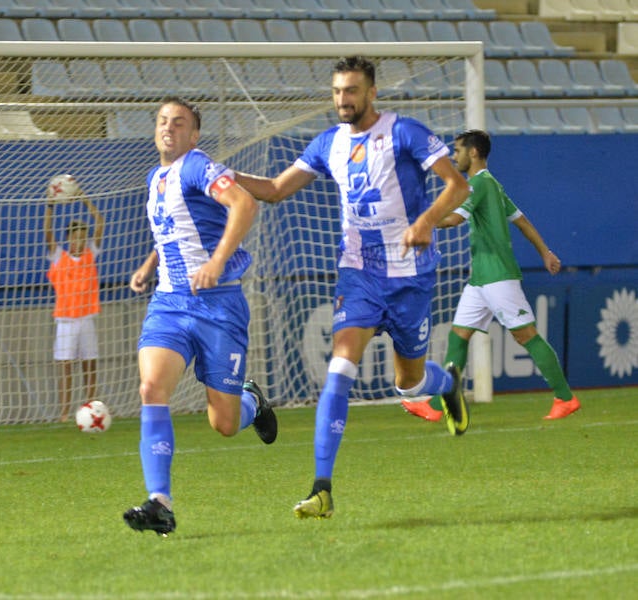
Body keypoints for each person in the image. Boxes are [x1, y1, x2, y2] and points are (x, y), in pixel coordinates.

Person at [233, 56, 472, 520]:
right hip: (358, 274)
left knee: (409, 383)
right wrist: (220, 176)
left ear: (372, 93)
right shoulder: (328, 143)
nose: (344, 99)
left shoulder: (404, 132)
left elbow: (456, 185)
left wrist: (424, 221)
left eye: (353, 90)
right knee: (340, 368)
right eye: (338, 91)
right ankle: (322, 488)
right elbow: (278, 189)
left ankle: (447, 384)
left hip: (411, 277)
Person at [122, 96, 278, 536]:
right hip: (170, 305)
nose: (169, 128)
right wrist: (149, 266)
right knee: (151, 387)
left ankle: (254, 402)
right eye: (162, 121)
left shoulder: (197, 164)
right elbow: (174, 230)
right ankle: (160, 503)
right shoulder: (155, 177)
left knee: (224, 424)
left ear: (194, 135)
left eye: (179, 123)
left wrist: (216, 262)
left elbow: (245, 205)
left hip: (219, 306)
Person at [401, 129, 580, 424]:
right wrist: (545, 252)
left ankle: (565, 397)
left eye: (457, 150)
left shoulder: (479, 185)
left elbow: (455, 220)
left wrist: (423, 222)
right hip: (481, 280)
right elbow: (523, 223)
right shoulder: (493, 185)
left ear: (473, 153)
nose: (453, 156)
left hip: (498, 276)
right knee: (459, 336)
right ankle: (435, 405)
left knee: (526, 335)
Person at [44, 183, 105, 422]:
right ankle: (65, 412)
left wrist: (82, 196)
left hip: (87, 318)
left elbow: (100, 221)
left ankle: (91, 407)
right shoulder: (59, 256)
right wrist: (50, 205)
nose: (79, 241)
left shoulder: (91, 254)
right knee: (65, 365)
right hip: (66, 320)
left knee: (90, 363)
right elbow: (47, 230)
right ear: (69, 239)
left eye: (82, 237)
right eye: (75, 237)